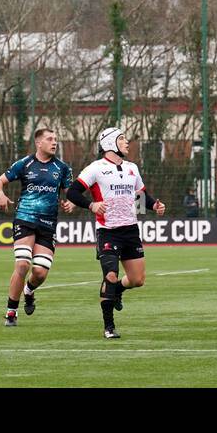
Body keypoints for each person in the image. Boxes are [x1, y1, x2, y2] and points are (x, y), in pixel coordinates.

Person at [66, 126, 164, 339]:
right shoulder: (96, 168)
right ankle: (109, 326)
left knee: (137, 280)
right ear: (110, 143)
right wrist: (91, 205)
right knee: (110, 275)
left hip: (130, 230)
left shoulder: (132, 168)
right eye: (122, 139)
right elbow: (72, 192)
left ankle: (118, 290)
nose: (127, 142)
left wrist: (154, 205)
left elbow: (141, 195)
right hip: (108, 231)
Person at [0, 127, 75, 327]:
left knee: (39, 273)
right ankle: (11, 312)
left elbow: (71, 194)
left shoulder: (63, 168)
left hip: (47, 224)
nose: (54, 142)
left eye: (55, 139)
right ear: (39, 143)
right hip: (25, 219)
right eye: (49, 139)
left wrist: (70, 203)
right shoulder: (25, 164)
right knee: (22, 264)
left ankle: (29, 291)